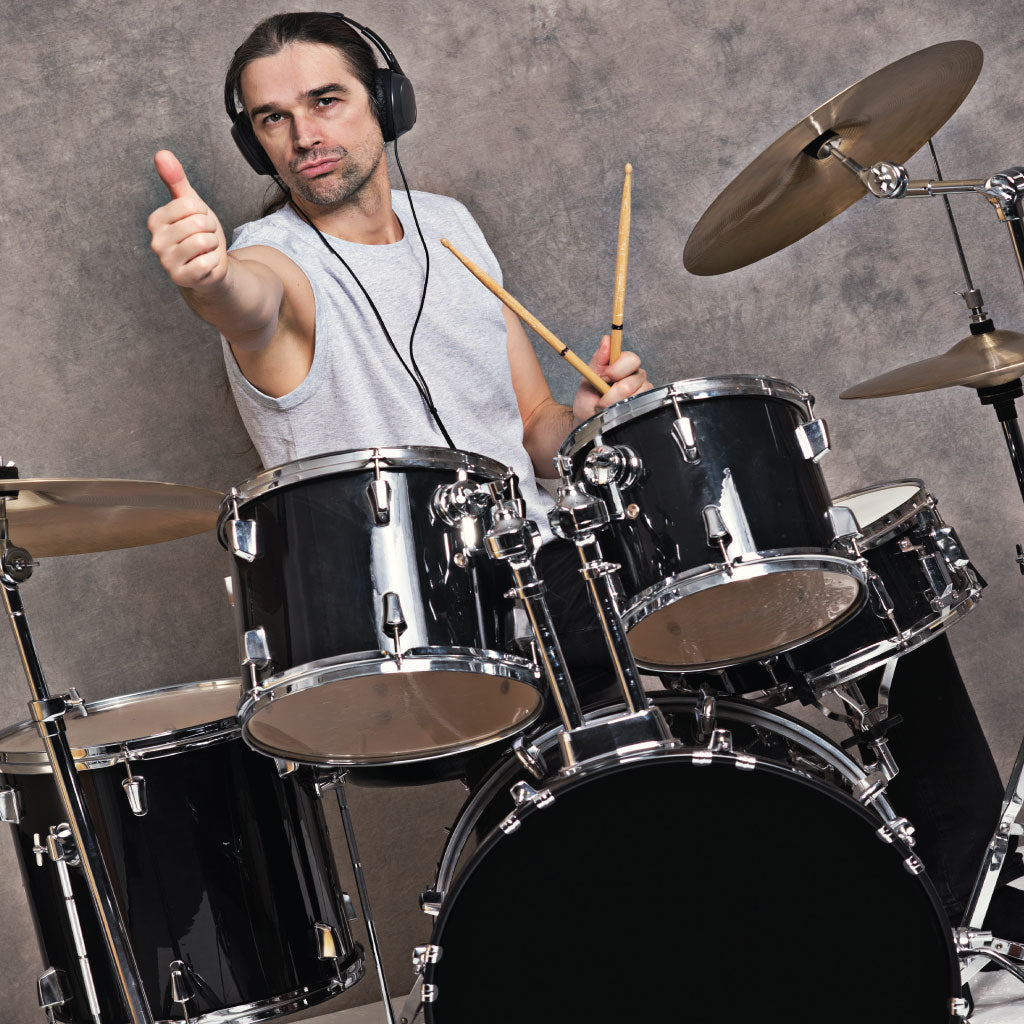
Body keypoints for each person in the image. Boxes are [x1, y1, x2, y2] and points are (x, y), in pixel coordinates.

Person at [147, 11, 1023, 942]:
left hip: (566, 557)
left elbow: (535, 429)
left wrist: (590, 412)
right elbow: (243, 303)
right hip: (454, 609)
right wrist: (205, 278)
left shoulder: (447, 227)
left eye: (326, 101)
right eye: (273, 119)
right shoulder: (271, 264)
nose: (304, 136)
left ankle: (980, 923)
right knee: (656, 774)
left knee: (872, 589)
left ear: (386, 102)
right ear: (252, 142)